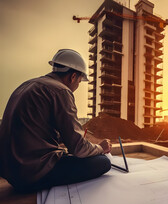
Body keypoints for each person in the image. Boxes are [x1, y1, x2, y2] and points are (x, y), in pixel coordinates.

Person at [0, 49, 112, 192]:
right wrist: (101, 147)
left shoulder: (27, 85)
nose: (76, 87)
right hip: (30, 174)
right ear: (73, 77)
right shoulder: (61, 91)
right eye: (78, 81)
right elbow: (78, 148)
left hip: (11, 173)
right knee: (102, 162)